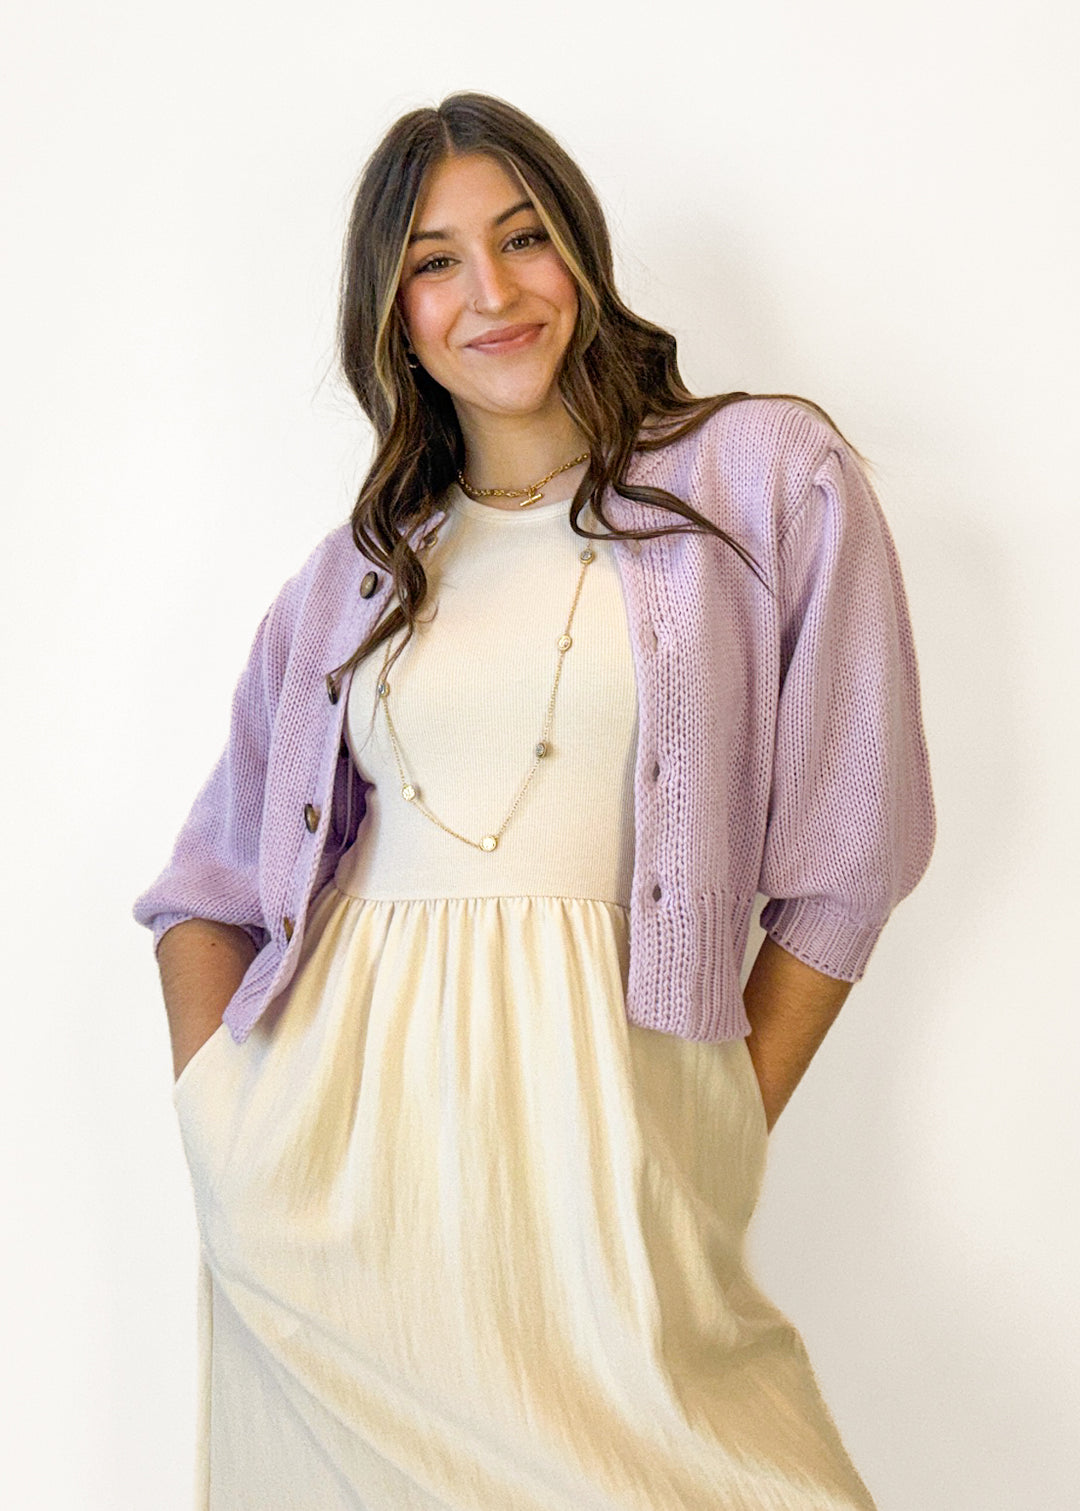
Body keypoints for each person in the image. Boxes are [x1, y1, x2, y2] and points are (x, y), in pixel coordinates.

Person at [134, 91, 936, 1511]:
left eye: (523, 239)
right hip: (335, 1195)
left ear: (582, 252)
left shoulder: (760, 480)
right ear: (390, 314)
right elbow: (209, 891)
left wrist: (718, 1118)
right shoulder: (353, 579)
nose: (490, 292)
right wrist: (223, 1123)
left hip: (615, 1186)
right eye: (435, 262)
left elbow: (851, 855)